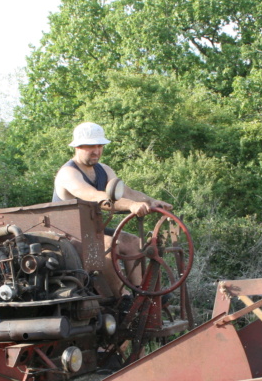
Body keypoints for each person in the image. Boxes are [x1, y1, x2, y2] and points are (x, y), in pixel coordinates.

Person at [52, 122, 172, 294]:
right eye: (91, 146)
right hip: (68, 236)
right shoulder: (68, 173)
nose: (97, 151)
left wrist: (151, 201)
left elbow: (126, 192)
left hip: (92, 230)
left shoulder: (104, 170)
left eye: (100, 146)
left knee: (132, 242)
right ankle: (121, 297)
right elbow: (96, 197)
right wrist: (131, 206)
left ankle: (140, 293)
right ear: (77, 146)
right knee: (109, 244)